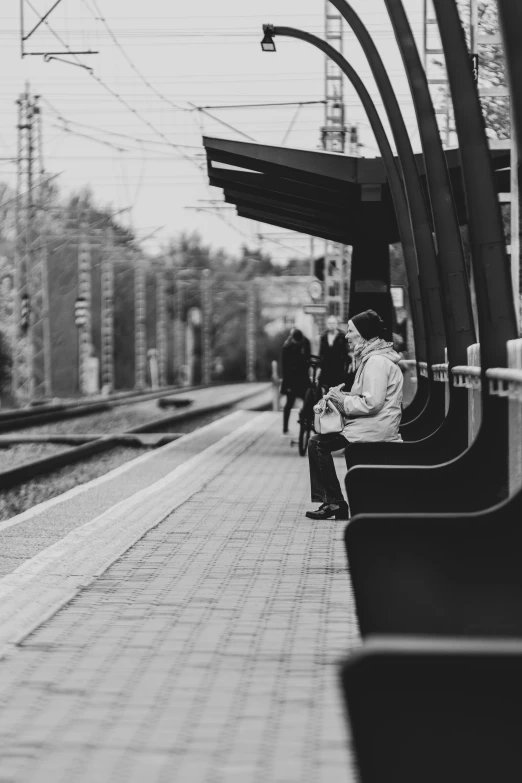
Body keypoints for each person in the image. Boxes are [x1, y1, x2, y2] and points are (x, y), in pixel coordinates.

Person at [306, 309, 403, 520]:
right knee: (318, 443)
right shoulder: (372, 359)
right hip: (375, 423)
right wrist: (344, 396)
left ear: (363, 334)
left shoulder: (376, 362)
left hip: (376, 426)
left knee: (317, 444)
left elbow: (372, 403)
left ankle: (335, 503)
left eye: (350, 331)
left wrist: (342, 400)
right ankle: (333, 502)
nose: (347, 336)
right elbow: (370, 397)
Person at [280, 328, 310, 435]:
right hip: (291, 379)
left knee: (308, 402)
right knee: (289, 403)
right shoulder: (287, 346)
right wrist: (287, 384)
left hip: (303, 378)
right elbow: (284, 367)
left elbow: (308, 358)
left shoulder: (306, 342)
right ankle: (285, 428)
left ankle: (306, 423)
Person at [318, 315, 348, 391]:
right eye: (329, 323)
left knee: (337, 389)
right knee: (325, 390)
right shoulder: (323, 337)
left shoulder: (342, 336)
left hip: (338, 368)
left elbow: (346, 352)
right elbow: (321, 352)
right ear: (327, 324)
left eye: (333, 323)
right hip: (326, 369)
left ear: (337, 324)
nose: (331, 325)